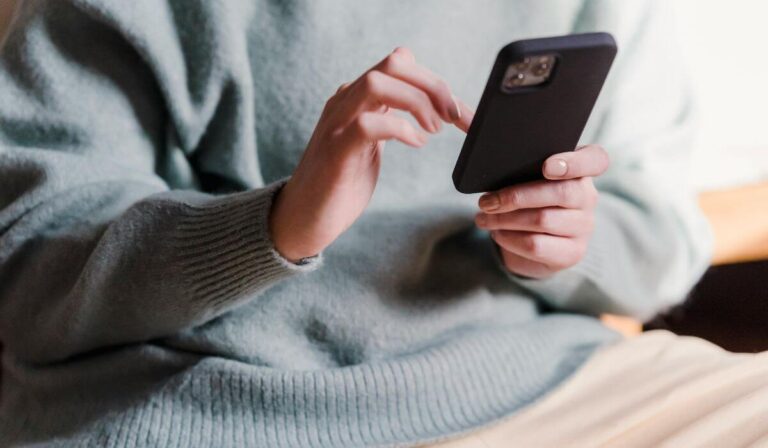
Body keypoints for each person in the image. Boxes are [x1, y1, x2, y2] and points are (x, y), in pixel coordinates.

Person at [1, 1, 767, 447]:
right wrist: (274, 226)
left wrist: (569, 243)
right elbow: (28, 269)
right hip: (213, 406)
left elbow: (664, 236)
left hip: (543, 379)